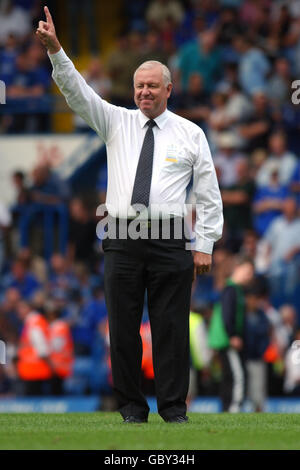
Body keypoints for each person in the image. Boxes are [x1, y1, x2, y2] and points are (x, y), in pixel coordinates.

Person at [36, 6, 223, 424]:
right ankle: (131, 411)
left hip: (172, 240)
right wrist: (56, 52)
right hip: (121, 238)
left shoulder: (191, 133)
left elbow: (208, 194)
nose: (144, 92)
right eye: (139, 86)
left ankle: (174, 410)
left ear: (168, 89)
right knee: (122, 330)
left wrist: (205, 244)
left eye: (152, 86)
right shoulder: (115, 122)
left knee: (171, 329)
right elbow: (77, 92)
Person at [208, 255, 254, 412]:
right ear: (237, 269)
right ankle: (234, 408)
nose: (250, 277)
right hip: (227, 340)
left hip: (224, 340)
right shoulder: (231, 290)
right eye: (248, 272)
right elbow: (227, 314)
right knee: (237, 375)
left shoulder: (233, 289)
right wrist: (232, 335)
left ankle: (226, 408)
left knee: (228, 376)